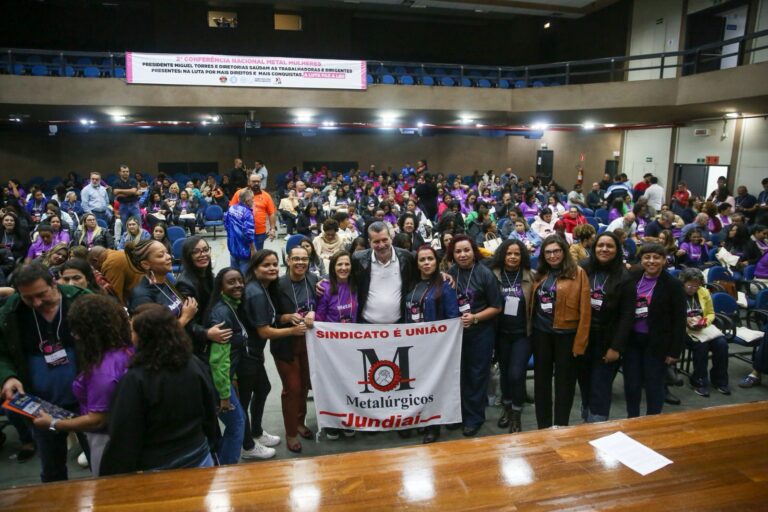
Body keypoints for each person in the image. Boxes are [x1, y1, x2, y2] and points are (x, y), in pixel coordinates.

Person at [100, 304, 218, 475]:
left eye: (133, 331)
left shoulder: (135, 379)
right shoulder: (193, 363)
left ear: (144, 337)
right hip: (199, 455)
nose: (130, 336)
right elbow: (209, 409)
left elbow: (125, 433)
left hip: (159, 467)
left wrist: (113, 474)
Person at [0, 263, 91, 482]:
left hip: (87, 401)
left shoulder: (82, 300)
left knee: (103, 462)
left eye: (42, 295)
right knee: (52, 471)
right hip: (41, 405)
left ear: (54, 283)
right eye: (28, 298)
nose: (37, 303)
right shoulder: (11, 311)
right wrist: (7, 376)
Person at [30, 295, 133, 476]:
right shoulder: (126, 349)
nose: (74, 334)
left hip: (106, 440)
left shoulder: (102, 372)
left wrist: (54, 422)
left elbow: (98, 419)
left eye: (77, 329)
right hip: (127, 433)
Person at [241, 250, 300, 459]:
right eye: (266, 265)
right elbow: (264, 331)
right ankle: (247, 446)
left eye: (275, 264)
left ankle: (256, 432)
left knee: (263, 388)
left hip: (255, 352)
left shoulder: (264, 288)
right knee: (243, 400)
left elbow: (271, 317)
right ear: (255, 268)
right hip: (244, 354)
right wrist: (292, 331)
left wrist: (286, 317)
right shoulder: (255, 292)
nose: (273, 268)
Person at [531, 235, 591, 428]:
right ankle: (544, 426)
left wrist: (580, 342)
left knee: (565, 384)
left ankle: (561, 426)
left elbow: (585, 311)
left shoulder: (578, 273)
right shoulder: (540, 273)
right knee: (541, 383)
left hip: (567, 335)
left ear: (564, 252)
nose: (552, 255)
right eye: (548, 252)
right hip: (542, 334)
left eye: (556, 251)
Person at [447, 235, 503, 436]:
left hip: (480, 333)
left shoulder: (484, 274)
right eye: (458, 251)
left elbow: (497, 307)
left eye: (466, 250)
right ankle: (459, 414)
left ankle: (474, 417)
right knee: (458, 375)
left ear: (474, 251)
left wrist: (476, 317)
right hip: (456, 335)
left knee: (476, 376)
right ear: (452, 255)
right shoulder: (450, 273)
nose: (462, 255)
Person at [405, 245, 460, 443]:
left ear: (437, 262)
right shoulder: (410, 284)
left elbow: (453, 317)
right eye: (422, 260)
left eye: (430, 259)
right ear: (417, 264)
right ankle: (420, 418)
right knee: (416, 384)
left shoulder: (445, 285)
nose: (426, 263)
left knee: (433, 385)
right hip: (412, 345)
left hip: (436, 347)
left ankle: (433, 425)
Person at [625, 244, 686, 417]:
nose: (651, 261)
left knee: (654, 385)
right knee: (632, 385)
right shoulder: (633, 277)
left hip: (657, 343)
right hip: (633, 341)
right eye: (647, 257)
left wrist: (674, 351)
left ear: (664, 260)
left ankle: (653, 419)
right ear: (641, 259)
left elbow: (679, 321)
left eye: (656, 257)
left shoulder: (673, 285)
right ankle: (632, 419)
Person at [579, 232, 635, 422]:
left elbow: (627, 316)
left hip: (608, 340)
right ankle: (587, 418)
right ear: (594, 248)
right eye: (600, 245)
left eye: (609, 246)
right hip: (583, 338)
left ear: (617, 250)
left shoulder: (625, 277)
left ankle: (598, 426)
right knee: (585, 382)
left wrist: (616, 347)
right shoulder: (583, 269)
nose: (604, 249)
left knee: (600, 386)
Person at [204, 268, 250, 465]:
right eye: (231, 282)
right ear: (221, 287)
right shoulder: (222, 314)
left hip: (226, 379)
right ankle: (226, 471)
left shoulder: (231, 305)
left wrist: (233, 380)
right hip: (217, 383)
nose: (238, 285)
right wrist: (224, 394)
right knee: (237, 425)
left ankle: (219, 464)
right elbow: (218, 361)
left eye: (240, 280)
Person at [274, 245, 316, 453]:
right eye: (296, 259)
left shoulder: (314, 281)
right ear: (288, 260)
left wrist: (315, 312)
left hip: (310, 342)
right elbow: (268, 316)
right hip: (286, 344)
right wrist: (285, 317)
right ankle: (290, 433)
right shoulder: (277, 285)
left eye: (304, 259)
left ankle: (300, 422)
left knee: (305, 385)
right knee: (292, 388)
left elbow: (323, 303)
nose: (300, 263)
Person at [315, 250, 360, 440]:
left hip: (351, 346)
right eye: (339, 265)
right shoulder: (325, 288)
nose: (343, 268)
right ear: (333, 268)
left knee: (349, 384)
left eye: (347, 264)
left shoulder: (356, 286)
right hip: (330, 347)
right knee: (332, 385)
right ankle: (332, 423)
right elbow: (319, 317)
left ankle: (348, 419)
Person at [490, 239, 534, 434]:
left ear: (522, 255)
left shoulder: (531, 276)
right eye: (509, 254)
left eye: (517, 254)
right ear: (502, 255)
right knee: (506, 375)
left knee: (516, 375)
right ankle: (507, 409)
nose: (513, 257)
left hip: (522, 335)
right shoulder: (493, 276)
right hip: (500, 334)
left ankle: (517, 413)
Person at [176, 236, 232, 358]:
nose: (203, 254)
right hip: (198, 344)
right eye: (196, 252)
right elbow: (188, 322)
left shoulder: (207, 274)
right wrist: (207, 333)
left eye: (205, 250)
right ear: (188, 256)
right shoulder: (185, 284)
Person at [679, 268, 730, 397]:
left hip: (702, 327)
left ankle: (720, 380)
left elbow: (711, 313)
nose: (693, 288)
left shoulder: (703, 292)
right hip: (683, 330)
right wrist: (685, 320)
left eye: (696, 285)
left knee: (722, 343)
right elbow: (669, 315)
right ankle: (699, 381)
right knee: (701, 346)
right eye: (690, 285)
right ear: (683, 283)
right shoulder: (676, 293)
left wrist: (704, 322)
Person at [125, 240, 197, 324]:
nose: (169, 257)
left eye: (167, 252)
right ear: (146, 264)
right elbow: (156, 335)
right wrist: (185, 317)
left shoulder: (166, 280)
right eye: (161, 255)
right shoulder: (141, 297)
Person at [230, 173, 277, 250]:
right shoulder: (239, 194)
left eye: (258, 181)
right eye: (254, 181)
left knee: (257, 257)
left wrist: (272, 229)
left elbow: (271, 213)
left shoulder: (266, 196)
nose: (256, 183)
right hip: (241, 232)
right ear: (248, 182)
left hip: (259, 233)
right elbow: (231, 211)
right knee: (243, 256)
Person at [225, 188, 256, 274]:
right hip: (244, 251)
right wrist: (253, 249)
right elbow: (249, 233)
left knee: (234, 275)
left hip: (232, 248)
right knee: (244, 278)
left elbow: (226, 225)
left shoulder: (231, 209)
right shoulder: (247, 213)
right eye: (252, 199)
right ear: (247, 200)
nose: (254, 201)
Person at [113, 165, 141, 230]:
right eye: (123, 171)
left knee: (138, 224)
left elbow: (134, 191)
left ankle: (140, 240)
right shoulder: (116, 182)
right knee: (125, 226)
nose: (125, 173)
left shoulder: (133, 180)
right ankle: (127, 240)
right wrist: (131, 193)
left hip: (134, 204)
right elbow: (115, 193)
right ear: (119, 172)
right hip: (123, 205)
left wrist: (120, 191)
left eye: (127, 171)